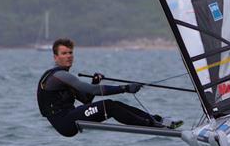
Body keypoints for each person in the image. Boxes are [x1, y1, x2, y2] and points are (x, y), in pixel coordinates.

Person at [37, 38, 182, 137]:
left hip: (69, 117)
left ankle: (158, 120)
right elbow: (93, 92)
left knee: (114, 105)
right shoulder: (59, 76)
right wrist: (125, 88)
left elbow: (86, 101)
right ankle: (154, 125)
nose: (69, 56)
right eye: (64, 53)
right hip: (65, 122)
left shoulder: (64, 78)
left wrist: (95, 82)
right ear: (55, 57)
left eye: (70, 53)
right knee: (109, 106)